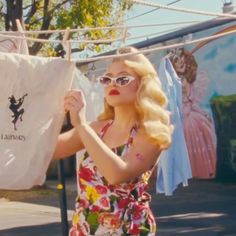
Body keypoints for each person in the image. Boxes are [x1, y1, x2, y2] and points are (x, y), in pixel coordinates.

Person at [53, 46, 172, 235]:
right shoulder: (97, 129)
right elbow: (48, 149)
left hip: (128, 228)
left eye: (123, 79)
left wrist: (81, 125)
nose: (112, 84)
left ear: (143, 84)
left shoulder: (151, 133)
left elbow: (117, 174)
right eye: (107, 79)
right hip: (85, 227)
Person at [169, 48, 217, 179]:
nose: (180, 64)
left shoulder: (186, 81)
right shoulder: (174, 82)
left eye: (183, 62)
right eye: (177, 61)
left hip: (188, 117)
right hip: (181, 117)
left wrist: (203, 113)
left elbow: (191, 102)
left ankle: (194, 172)